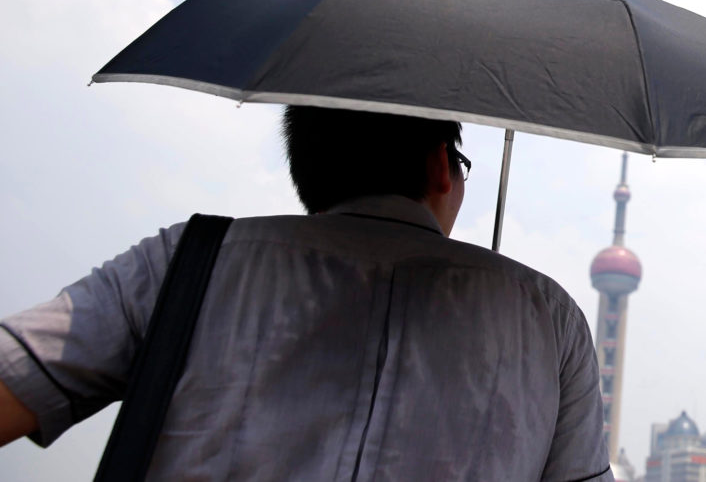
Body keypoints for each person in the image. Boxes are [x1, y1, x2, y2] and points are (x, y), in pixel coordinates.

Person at [0, 106, 612, 480]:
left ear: (307, 166)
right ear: (438, 166)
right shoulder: (548, 318)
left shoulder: (189, 261)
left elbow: (15, 382)